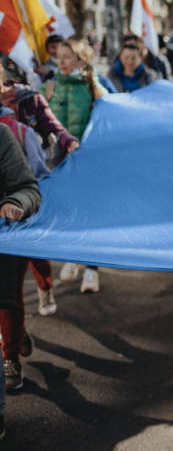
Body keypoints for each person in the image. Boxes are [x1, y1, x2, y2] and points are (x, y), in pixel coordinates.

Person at [45, 39, 108, 293]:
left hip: (88, 158)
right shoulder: (50, 86)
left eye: (67, 56)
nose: (61, 61)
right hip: (60, 160)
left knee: (90, 212)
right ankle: (71, 256)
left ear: (81, 60)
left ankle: (91, 269)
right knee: (68, 211)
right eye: (59, 56)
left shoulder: (93, 85)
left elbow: (112, 111)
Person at [0, 108, 49, 391]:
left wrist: (16, 203)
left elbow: (29, 189)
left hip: (5, 236)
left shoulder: (3, 134)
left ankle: (10, 357)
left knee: (7, 299)